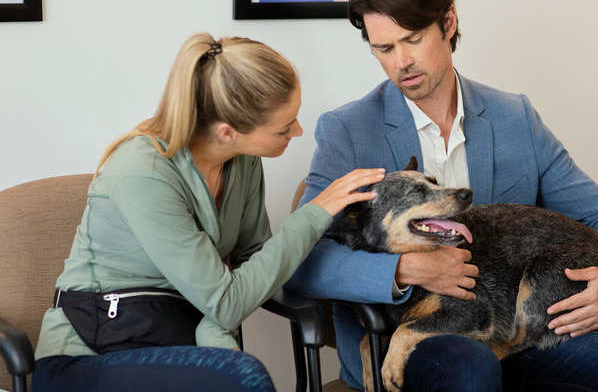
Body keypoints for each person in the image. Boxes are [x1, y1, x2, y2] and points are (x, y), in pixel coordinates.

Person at [286, 0, 598, 391]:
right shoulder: (347, 130)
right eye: (384, 49)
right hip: (400, 339)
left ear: (448, 22)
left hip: (514, 336)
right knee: (470, 368)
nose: (401, 63)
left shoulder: (514, 117)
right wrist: (404, 270)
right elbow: (302, 259)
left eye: (413, 39)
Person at [31, 33, 385, 392]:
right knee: (241, 377)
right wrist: (315, 212)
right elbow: (227, 301)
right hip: (90, 357)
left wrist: (214, 328)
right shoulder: (142, 172)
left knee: (234, 373)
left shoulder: (242, 161)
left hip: (179, 345)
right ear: (228, 132)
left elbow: (257, 264)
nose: (298, 130)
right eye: (283, 127)